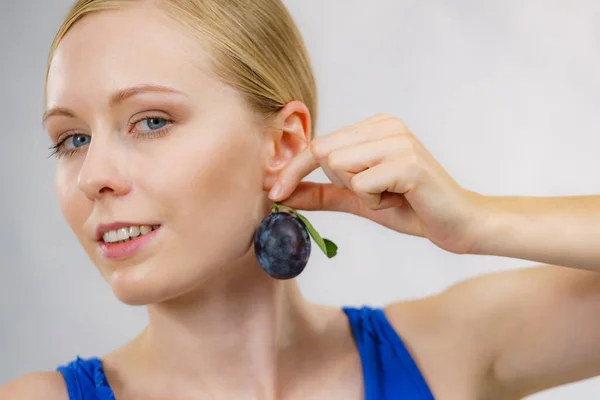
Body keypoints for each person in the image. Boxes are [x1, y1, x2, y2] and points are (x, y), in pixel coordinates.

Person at [2, 0, 600, 399]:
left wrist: (480, 221)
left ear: (284, 144)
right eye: (72, 139)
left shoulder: (444, 352)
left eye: (151, 121)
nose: (92, 176)